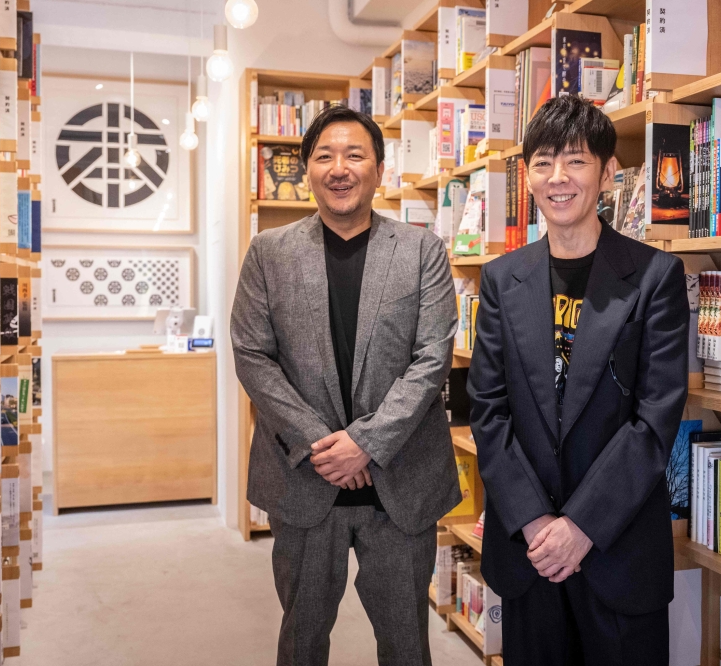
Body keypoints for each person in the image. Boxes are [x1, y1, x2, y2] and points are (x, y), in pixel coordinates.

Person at [231, 106, 460, 666]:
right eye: (324, 156)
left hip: (400, 484)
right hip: (305, 483)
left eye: (355, 155)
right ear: (307, 168)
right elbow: (252, 356)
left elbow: (433, 358)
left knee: (407, 644)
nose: (340, 168)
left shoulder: (420, 250)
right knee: (302, 639)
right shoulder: (269, 252)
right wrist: (322, 443)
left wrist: (367, 443)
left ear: (379, 169)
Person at [467, 95, 689, 665]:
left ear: (609, 172)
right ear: (526, 176)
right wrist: (540, 524)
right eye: (542, 162)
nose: (557, 178)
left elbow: (655, 418)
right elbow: (488, 410)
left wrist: (582, 525)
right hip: (529, 550)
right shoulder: (500, 279)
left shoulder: (655, 276)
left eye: (576, 161)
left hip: (618, 549)